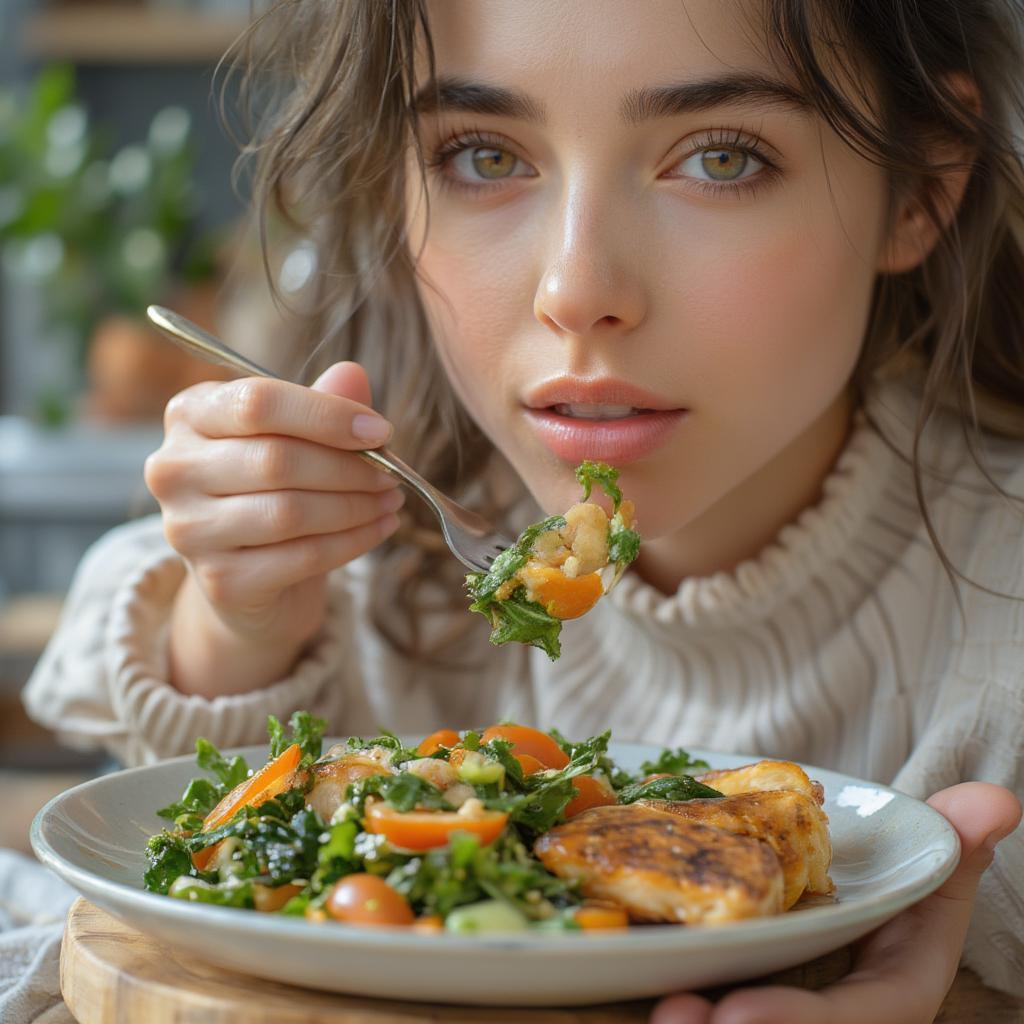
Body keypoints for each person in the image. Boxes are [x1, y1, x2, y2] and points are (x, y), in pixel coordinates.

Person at [23, 1, 1024, 1020]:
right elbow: (152, 872)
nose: (574, 288)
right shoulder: (372, 554)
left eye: (721, 158)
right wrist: (240, 626)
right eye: (484, 157)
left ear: (922, 186)